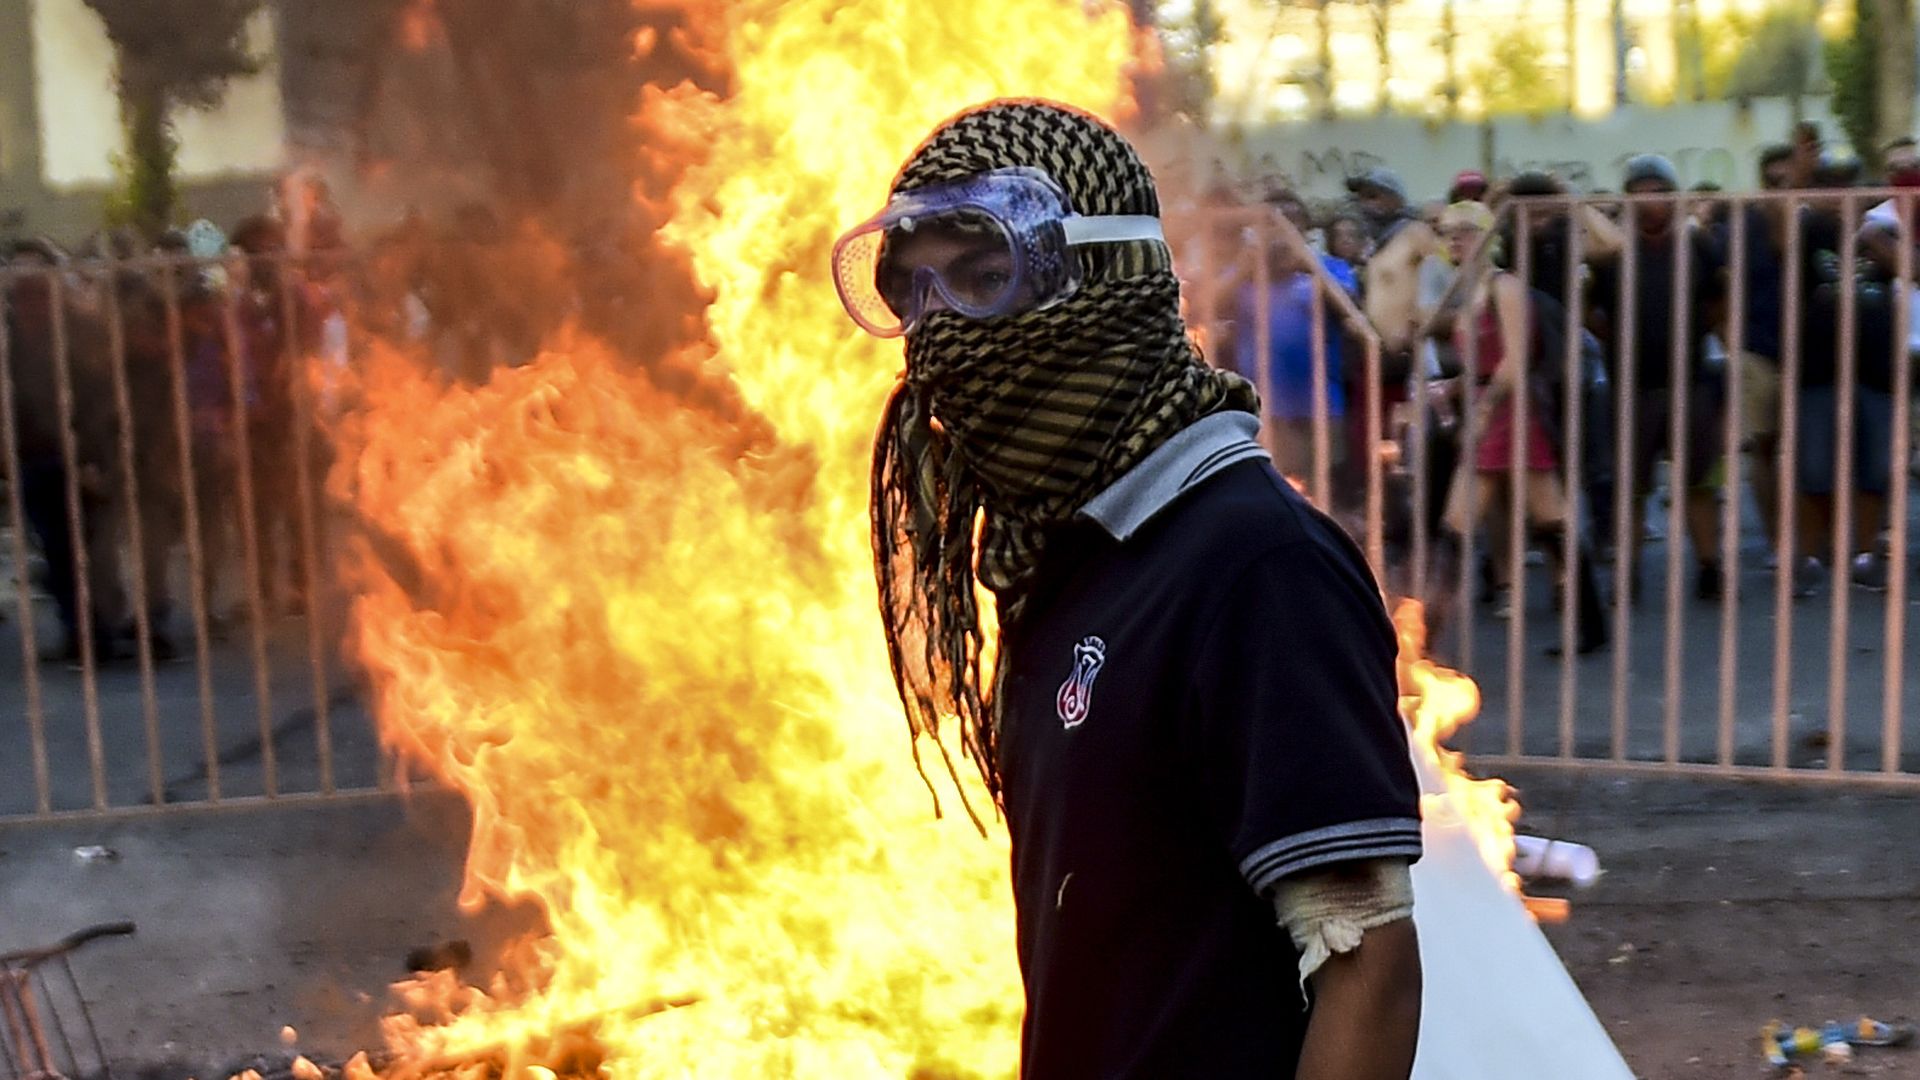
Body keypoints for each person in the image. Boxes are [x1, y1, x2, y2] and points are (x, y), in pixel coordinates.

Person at [841, 100, 1423, 1079]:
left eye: (983, 279)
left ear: (1108, 274)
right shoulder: (1062, 563)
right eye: (914, 294)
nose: (940, 337)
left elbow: (1369, 970)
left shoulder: (1254, 565)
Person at [1438, 202, 1608, 653]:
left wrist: (1482, 410)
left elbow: (1514, 362)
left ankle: (1423, 634)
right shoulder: (1468, 293)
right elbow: (1483, 364)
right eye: (1448, 232)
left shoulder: (1504, 287)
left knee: (1540, 519)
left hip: (1510, 413)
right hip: (1492, 409)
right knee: (1538, 519)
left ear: (1488, 236)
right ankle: (1592, 625)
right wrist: (1453, 389)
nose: (1455, 240)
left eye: (1465, 230)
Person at [1587, 154, 1728, 601]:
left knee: (1700, 482)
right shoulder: (1611, 254)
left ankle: (1709, 567)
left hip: (1691, 382)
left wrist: (1697, 336)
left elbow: (1719, 303)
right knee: (1631, 487)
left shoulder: (1698, 246)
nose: (1649, 201)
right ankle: (1627, 575)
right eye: (1640, 193)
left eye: (1657, 192)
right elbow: (1591, 311)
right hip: (1631, 387)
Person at [1220, 192, 1362, 488]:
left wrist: (1310, 267)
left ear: (1306, 229)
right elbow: (1202, 305)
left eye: (1292, 222)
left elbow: (1352, 307)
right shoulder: (1243, 271)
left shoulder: (1329, 267)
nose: (1282, 231)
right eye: (1272, 222)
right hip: (1263, 405)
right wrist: (1245, 267)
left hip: (1321, 403)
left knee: (1322, 490)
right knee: (1269, 487)